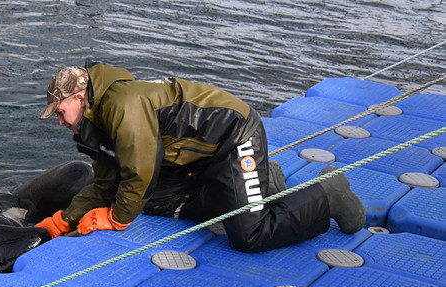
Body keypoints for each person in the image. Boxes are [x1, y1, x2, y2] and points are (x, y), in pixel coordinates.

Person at [35, 62, 366, 253]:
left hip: (233, 136)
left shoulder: (122, 105)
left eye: (61, 112)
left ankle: (329, 194)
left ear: (79, 97)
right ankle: (262, 183)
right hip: (196, 158)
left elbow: (142, 171)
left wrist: (116, 219)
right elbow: (108, 182)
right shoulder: (95, 124)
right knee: (150, 201)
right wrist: (66, 218)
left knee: (249, 234)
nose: (61, 122)